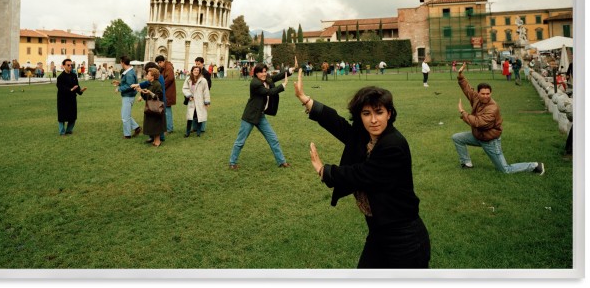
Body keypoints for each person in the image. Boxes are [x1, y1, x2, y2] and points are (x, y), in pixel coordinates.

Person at [293, 68, 430, 269]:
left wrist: (325, 171)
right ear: (360, 116)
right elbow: (340, 125)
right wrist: (306, 100)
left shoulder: (393, 145)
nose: (373, 120)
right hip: (379, 232)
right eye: (366, 113)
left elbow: (362, 175)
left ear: (389, 113)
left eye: (379, 112)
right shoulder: (367, 136)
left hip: (404, 238)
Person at [452, 63, 544, 174]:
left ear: (491, 93)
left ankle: (535, 166)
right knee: (457, 138)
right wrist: (460, 75)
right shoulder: (476, 98)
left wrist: (463, 112)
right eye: (483, 93)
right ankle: (467, 164)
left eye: (488, 94)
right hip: (478, 136)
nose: (485, 96)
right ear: (478, 93)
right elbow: (468, 90)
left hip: (490, 141)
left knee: (505, 170)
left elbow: (478, 122)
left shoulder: (492, 108)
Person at [228, 62, 296, 170]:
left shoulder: (266, 78)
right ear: (256, 74)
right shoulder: (255, 84)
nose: (264, 74)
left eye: (265, 71)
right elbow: (269, 92)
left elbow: (276, 77)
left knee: (273, 139)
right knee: (240, 141)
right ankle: (232, 162)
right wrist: (283, 85)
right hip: (250, 116)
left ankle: (281, 162)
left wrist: (289, 71)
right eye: (262, 72)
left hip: (260, 116)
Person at [112, 55, 142, 139]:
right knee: (126, 115)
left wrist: (119, 88)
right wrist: (120, 83)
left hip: (128, 96)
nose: (120, 64)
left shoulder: (129, 73)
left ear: (122, 62)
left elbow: (130, 85)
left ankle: (127, 135)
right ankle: (137, 128)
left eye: (120, 62)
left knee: (125, 116)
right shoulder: (130, 72)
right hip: (129, 96)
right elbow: (129, 84)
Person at [56, 58, 87, 136]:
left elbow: (76, 86)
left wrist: (80, 91)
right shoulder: (60, 77)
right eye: (68, 65)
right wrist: (70, 89)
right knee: (62, 117)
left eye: (71, 65)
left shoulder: (74, 75)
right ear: (63, 66)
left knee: (73, 116)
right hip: (63, 99)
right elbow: (60, 88)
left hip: (72, 99)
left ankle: (69, 130)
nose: (70, 66)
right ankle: (62, 132)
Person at [136, 67, 166, 147]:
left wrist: (150, 93)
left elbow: (159, 96)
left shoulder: (157, 84)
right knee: (153, 124)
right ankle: (155, 140)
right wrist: (141, 91)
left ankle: (158, 141)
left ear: (153, 76)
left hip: (156, 108)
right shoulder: (150, 84)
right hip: (150, 108)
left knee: (156, 124)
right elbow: (147, 97)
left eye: (148, 74)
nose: (146, 76)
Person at [182, 65, 211, 137]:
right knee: (190, 117)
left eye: (197, 70)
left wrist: (206, 101)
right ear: (192, 71)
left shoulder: (203, 80)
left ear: (199, 71)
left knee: (199, 116)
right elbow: (185, 88)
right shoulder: (188, 79)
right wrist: (189, 95)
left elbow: (206, 91)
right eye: (195, 70)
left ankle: (198, 132)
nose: (196, 71)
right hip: (191, 101)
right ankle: (187, 132)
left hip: (200, 100)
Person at [156, 55, 176, 133]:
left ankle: (169, 128)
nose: (159, 64)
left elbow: (170, 78)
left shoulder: (168, 67)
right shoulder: (165, 67)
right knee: (166, 110)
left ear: (163, 61)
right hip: (166, 91)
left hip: (168, 92)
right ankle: (167, 127)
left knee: (167, 110)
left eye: (159, 63)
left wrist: (162, 86)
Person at [194, 57, 212, 133]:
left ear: (202, 63)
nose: (197, 65)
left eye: (199, 64)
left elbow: (209, 85)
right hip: (195, 94)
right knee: (194, 111)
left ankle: (202, 128)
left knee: (202, 111)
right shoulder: (194, 72)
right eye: (196, 64)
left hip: (202, 95)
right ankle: (194, 127)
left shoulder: (206, 73)